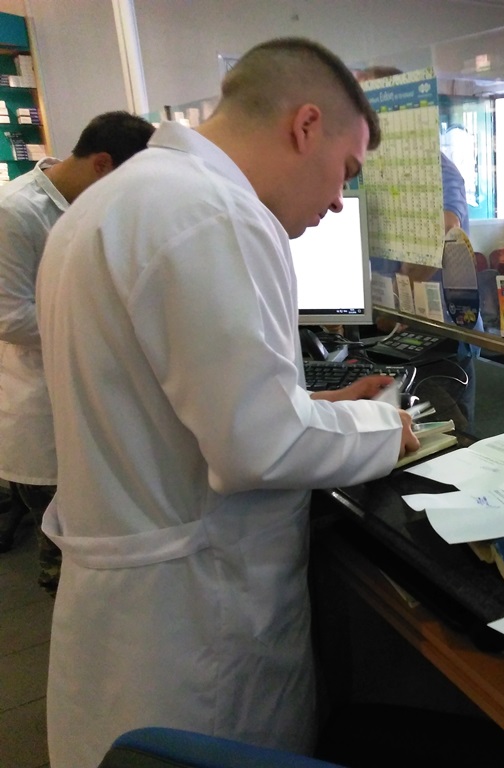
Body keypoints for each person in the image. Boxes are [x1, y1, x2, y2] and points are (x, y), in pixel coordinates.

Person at [36, 38, 419, 768]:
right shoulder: (216, 214)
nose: (339, 201)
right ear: (306, 126)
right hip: (193, 618)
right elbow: (260, 449)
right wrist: (383, 425)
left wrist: (313, 403)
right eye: (346, 170)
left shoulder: (122, 196)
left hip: (134, 597)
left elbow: (166, 401)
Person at [0, 111, 155, 596]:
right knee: (70, 563)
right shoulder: (15, 213)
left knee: (95, 550)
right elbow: (8, 317)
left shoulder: (87, 203)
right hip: (42, 408)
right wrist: (108, 327)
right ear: (102, 164)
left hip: (93, 400)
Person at [357, 64, 479, 428]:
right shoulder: (374, 173)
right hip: (391, 332)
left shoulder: (436, 170)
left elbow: (444, 230)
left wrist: (394, 312)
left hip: (438, 336)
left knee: (449, 435)